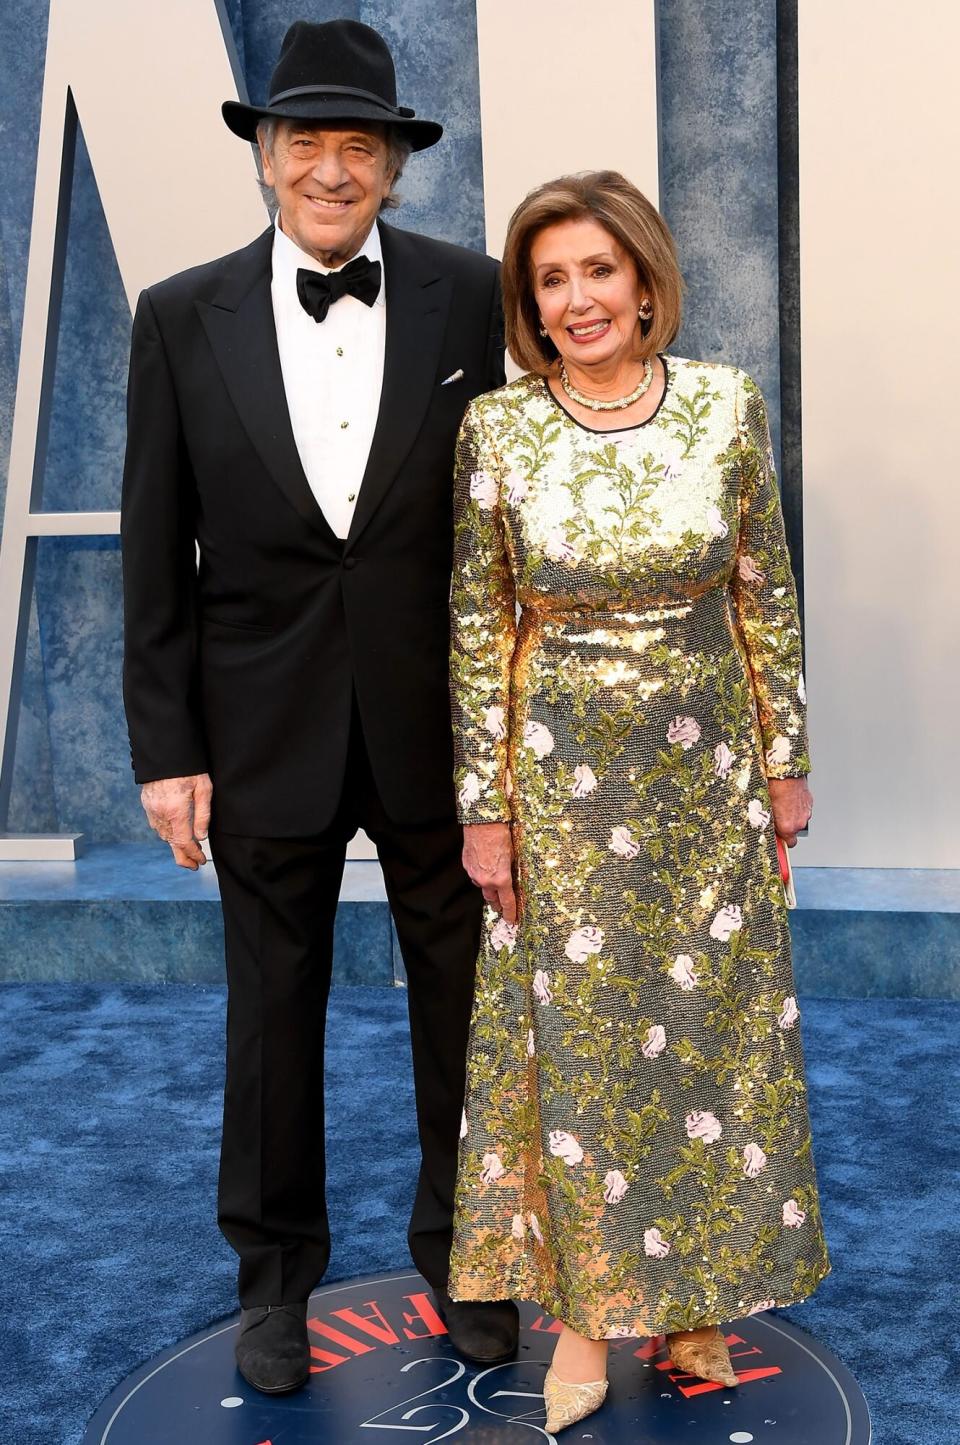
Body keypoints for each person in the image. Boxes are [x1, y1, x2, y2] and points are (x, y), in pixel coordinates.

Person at [121, 18, 517, 1395]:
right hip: (257, 726)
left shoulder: (476, 298)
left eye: (363, 147)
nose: (334, 170)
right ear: (267, 159)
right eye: (309, 145)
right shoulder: (179, 315)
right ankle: (276, 1279)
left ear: (397, 169)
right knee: (269, 1015)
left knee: (463, 1007)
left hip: (439, 726)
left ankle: (470, 1258)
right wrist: (166, 750)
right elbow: (153, 546)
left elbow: (508, 516)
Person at [447, 171, 830, 1433]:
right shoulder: (498, 432)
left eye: (597, 270)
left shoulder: (725, 406)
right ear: (531, 304)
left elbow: (763, 588)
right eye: (551, 279)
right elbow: (475, 623)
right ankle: (585, 1318)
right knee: (590, 1050)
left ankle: (699, 1293)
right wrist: (483, 803)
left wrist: (785, 760)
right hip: (560, 783)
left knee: (709, 1035)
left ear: (645, 279)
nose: (577, 298)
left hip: (708, 773)